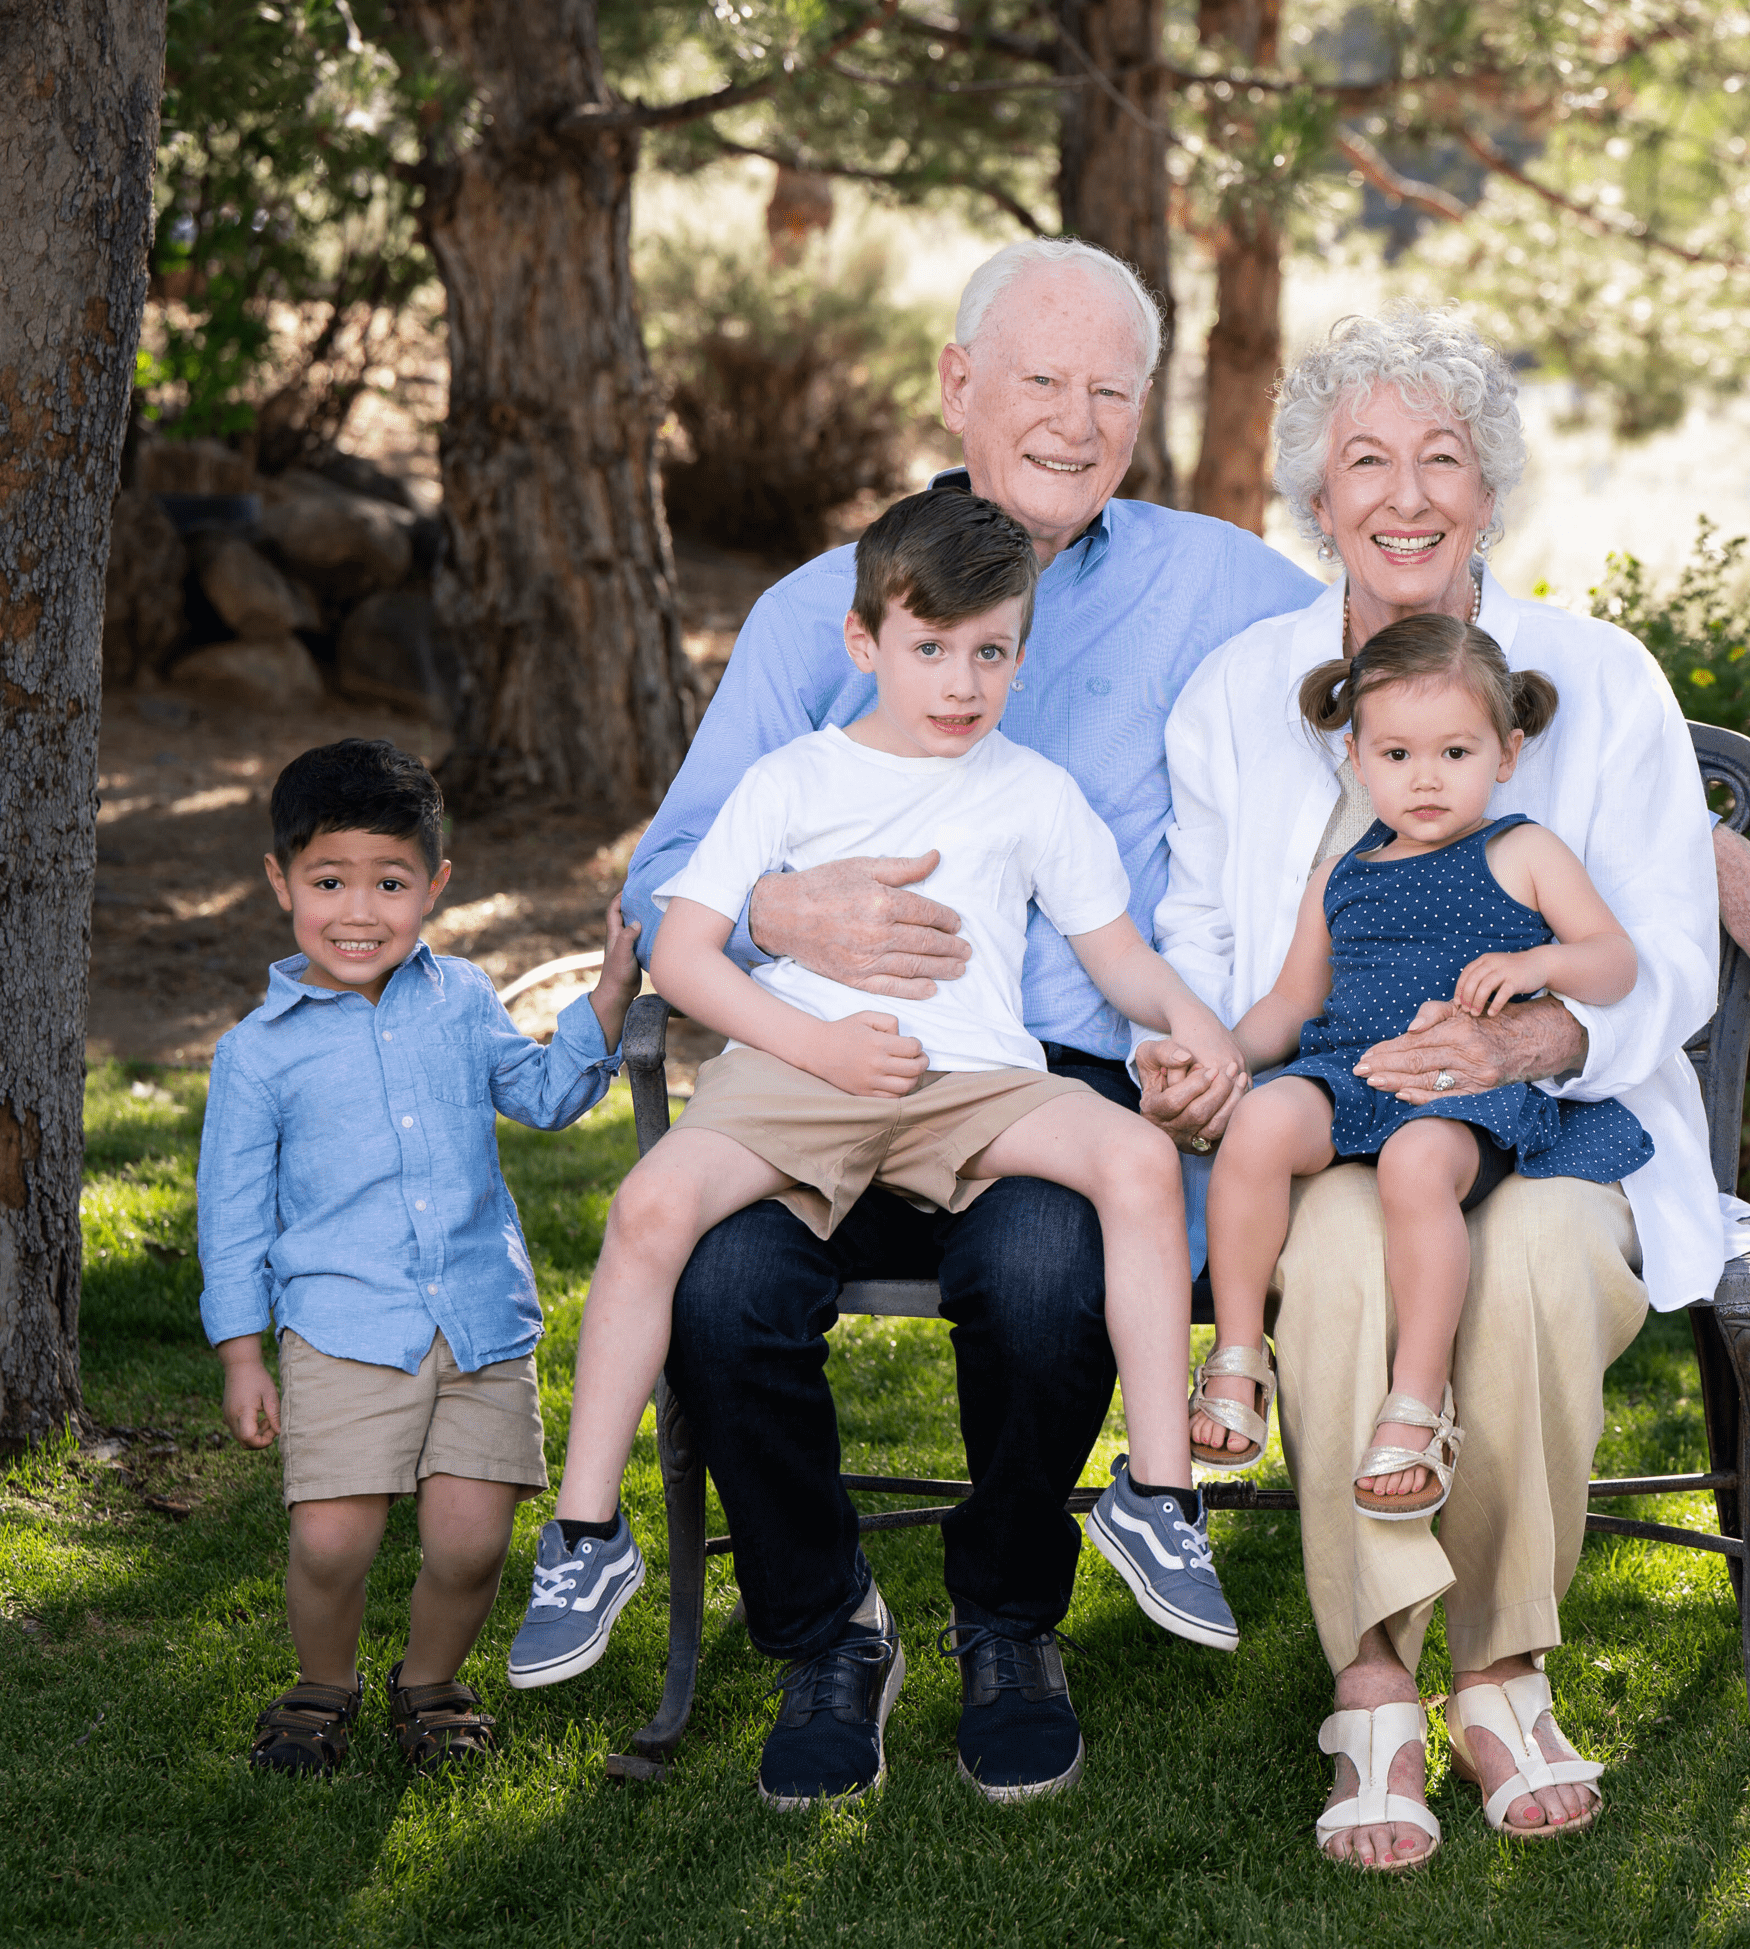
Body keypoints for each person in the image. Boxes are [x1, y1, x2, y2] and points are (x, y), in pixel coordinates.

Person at [618, 239, 1320, 1812]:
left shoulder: (1219, 579)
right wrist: (788, 914)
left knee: (1048, 1265)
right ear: (956, 386)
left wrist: (1695, 833)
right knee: (726, 1284)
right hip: (816, 1056)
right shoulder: (833, 604)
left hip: (1040, 1070)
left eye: (1109, 389)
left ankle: (1009, 1612)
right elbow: (668, 872)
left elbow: (1442, 650)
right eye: (1038, 381)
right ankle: (823, 1629)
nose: (1073, 420)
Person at [1156, 303, 1750, 1871]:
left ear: (1491, 492)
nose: (1406, 491)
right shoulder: (1242, 689)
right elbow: (1196, 932)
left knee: (1529, 1263)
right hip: (1328, 1103)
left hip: (1556, 1112)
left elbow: (1659, 953)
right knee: (1344, 1249)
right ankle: (1373, 1676)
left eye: (1444, 457)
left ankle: (1501, 1668)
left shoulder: (1597, 675)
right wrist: (1205, 1052)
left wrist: (1526, 1041)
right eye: (1365, 458)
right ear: (1316, 496)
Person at [512, 491, 1250, 1710]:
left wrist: (1199, 1027)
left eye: (991, 652)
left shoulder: (1033, 793)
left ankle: (1158, 1497)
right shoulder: (793, 782)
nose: (961, 683)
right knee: (651, 1210)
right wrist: (818, 1042)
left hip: (972, 1082)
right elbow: (686, 954)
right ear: (864, 643)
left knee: (1132, 1162)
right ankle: (589, 1537)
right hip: (803, 1073)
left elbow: (1119, 956)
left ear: (1021, 649)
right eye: (930, 649)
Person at [197, 739, 639, 1777]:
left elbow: (541, 1095)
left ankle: (432, 1683)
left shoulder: (464, 997)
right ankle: (323, 1683)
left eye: (390, 882)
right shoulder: (256, 1054)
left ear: (434, 885)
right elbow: (230, 1220)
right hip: (344, 1328)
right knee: (332, 1542)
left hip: (480, 1321)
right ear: (280, 883)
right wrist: (241, 1355)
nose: (360, 912)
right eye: (329, 881)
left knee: (470, 1540)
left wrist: (609, 998)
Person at [1192, 615, 1652, 1526]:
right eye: (1398, 753)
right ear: (1358, 760)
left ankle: (1419, 1397)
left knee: (1411, 1169)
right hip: (1355, 1074)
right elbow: (1289, 1004)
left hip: (1465, 1095)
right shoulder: (1339, 875)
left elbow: (1614, 960)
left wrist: (1540, 968)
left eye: (1455, 750)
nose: (1427, 776)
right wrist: (1219, 1059)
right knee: (1260, 1124)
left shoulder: (1522, 851)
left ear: (1508, 753)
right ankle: (1239, 1358)